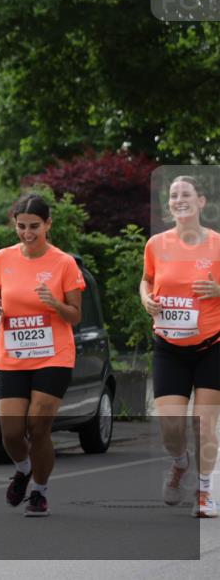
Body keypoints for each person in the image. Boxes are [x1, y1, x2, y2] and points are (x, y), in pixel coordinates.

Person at [0, 194, 84, 517]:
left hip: (53, 355)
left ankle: (40, 492)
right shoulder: (3, 258)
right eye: (21, 227)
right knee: (12, 432)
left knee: (38, 427)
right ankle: (23, 467)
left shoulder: (63, 263)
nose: (27, 233)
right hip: (13, 353)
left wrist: (54, 304)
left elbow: (74, 316)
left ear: (48, 225)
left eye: (34, 227)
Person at [140, 175, 220, 518]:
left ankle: (205, 492)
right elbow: (145, 279)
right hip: (169, 346)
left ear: (201, 201)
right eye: (173, 195)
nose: (179, 199)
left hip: (211, 345)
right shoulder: (156, 244)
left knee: (204, 423)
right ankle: (180, 461)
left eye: (186, 193)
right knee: (171, 427)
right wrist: (146, 299)